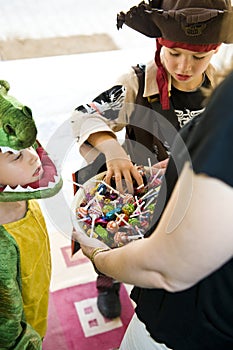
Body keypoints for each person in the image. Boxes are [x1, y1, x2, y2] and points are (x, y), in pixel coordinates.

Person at [70, 0, 233, 319]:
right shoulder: (135, 82)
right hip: (136, 196)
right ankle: (108, 282)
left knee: (169, 262)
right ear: (160, 44)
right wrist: (113, 150)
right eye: (174, 54)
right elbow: (84, 117)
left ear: (213, 53)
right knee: (115, 246)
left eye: (198, 57)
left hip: (184, 195)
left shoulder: (220, 90)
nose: (184, 66)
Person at [0, 80, 62, 349]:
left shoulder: (24, 195)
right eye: (15, 156)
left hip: (36, 296)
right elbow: (7, 323)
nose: (33, 157)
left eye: (31, 146)